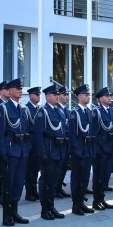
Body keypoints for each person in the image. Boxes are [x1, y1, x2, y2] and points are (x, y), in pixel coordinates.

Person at [0, 78, 32, 226]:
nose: (20, 91)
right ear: (10, 91)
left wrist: (27, 148)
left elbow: (28, 129)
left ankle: (15, 212)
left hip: (22, 150)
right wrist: (3, 153)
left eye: (21, 89)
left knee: (18, 183)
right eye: (17, 88)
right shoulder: (3, 108)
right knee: (8, 184)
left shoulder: (23, 108)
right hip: (10, 150)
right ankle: (6, 215)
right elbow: (0, 133)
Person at [33, 84, 68, 219]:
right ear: (47, 97)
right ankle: (44, 209)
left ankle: (51, 206)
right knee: (46, 181)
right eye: (54, 95)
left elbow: (63, 131)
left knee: (54, 181)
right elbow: (38, 135)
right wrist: (42, 153)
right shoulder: (43, 112)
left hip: (58, 151)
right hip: (48, 151)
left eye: (58, 94)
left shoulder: (59, 111)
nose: (57, 96)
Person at [68, 84, 97, 215]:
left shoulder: (89, 112)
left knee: (85, 178)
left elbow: (92, 132)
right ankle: (75, 205)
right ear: (79, 97)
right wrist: (76, 152)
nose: (88, 97)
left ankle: (81, 202)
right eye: (86, 95)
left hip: (88, 149)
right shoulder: (75, 113)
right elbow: (73, 135)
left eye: (89, 95)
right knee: (77, 178)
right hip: (80, 150)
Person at [91, 87, 113, 210]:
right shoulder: (96, 111)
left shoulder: (111, 111)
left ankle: (102, 199)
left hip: (109, 147)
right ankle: (96, 201)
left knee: (106, 175)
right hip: (100, 148)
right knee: (99, 176)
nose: (110, 98)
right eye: (107, 96)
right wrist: (96, 149)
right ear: (101, 99)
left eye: (110, 96)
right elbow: (94, 131)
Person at [23, 86, 43, 202]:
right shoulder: (26, 108)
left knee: (36, 169)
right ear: (31, 96)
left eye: (39, 94)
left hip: (37, 143)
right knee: (29, 169)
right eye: (37, 94)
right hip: (30, 142)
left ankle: (34, 190)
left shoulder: (40, 109)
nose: (39, 96)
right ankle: (29, 192)